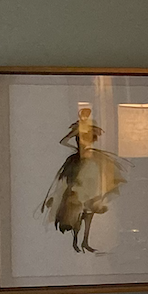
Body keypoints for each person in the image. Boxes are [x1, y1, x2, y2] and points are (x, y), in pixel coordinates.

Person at [40, 104, 129, 253]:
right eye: (84, 115)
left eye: (87, 116)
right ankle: (76, 240)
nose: (85, 117)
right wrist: (76, 150)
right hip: (81, 163)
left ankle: (85, 241)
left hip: (90, 163)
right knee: (78, 205)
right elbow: (63, 141)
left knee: (91, 205)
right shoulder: (78, 129)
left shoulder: (91, 128)